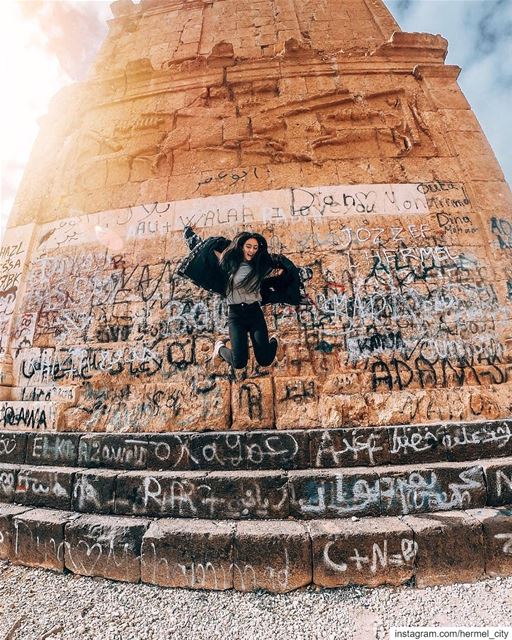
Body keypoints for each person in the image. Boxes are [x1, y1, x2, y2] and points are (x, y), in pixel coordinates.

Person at [178, 226, 308, 369]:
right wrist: (190, 235)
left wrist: (297, 275)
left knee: (264, 360)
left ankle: (274, 343)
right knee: (239, 363)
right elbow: (205, 252)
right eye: (248, 246)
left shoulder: (261, 265)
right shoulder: (229, 263)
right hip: (236, 316)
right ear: (241, 247)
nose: (251, 251)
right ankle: (220, 349)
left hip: (254, 313)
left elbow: (285, 267)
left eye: (255, 248)